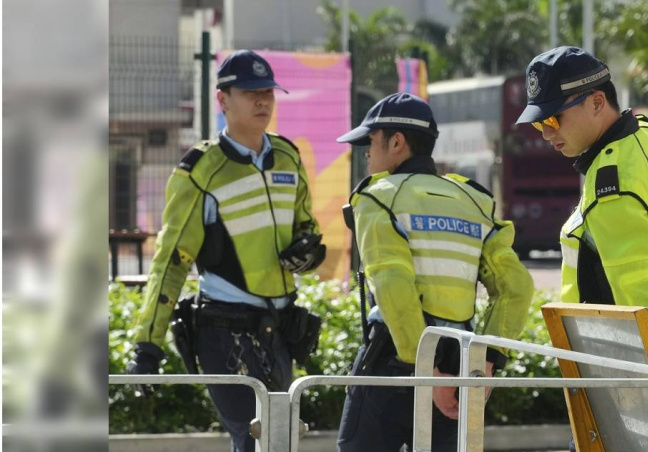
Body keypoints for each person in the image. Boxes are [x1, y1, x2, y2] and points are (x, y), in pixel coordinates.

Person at [516, 46, 648, 437]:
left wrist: (640, 399)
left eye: (554, 118)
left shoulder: (614, 183)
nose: (546, 133)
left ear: (597, 102)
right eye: (539, 124)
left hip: (641, 387)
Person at [125, 49, 326, 452]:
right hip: (222, 330)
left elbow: (307, 228)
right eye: (250, 92)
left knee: (279, 442)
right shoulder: (200, 170)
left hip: (281, 328)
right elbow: (171, 262)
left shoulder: (289, 156)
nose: (262, 101)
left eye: (267, 92)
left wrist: (309, 251)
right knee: (255, 438)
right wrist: (148, 345)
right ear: (222, 99)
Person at [335, 92, 534, 452]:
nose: (366, 153)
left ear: (397, 142)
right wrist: (487, 362)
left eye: (371, 142)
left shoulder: (378, 197)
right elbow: (516, 288)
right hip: (459, 367)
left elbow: (393, 284)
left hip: (394, 361)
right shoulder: (475, 201)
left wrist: (426, 371)